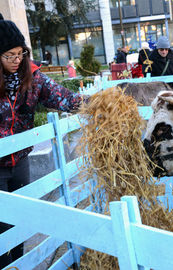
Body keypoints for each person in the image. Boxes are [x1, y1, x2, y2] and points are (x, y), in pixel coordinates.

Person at [0, 15, 87, 268]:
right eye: (9, 56)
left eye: (21, 54)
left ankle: (18, 263)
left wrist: (92, 104)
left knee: (21, 220)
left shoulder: (33, 77)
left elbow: (63, 97)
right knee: (2, 223)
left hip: (21, 161)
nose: (17, 61)